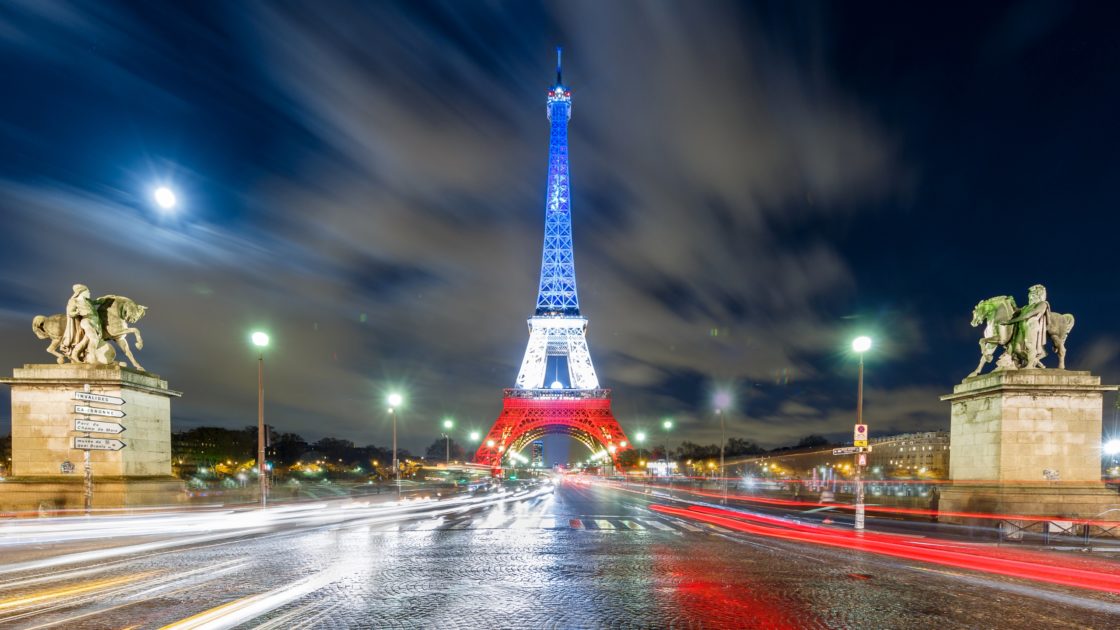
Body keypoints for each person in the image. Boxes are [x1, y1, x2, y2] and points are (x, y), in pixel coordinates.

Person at [1008, 284, 1050, 369]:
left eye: (1033, 295)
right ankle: (1034, 360)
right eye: (1030, 295)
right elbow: (1017, 310)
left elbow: (1028, 315)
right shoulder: (1026, 307)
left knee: (1029, 345)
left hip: (1032, 326)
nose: (1031, 297)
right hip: (1022, 327)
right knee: (1016, 348)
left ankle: (1030, 365)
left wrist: (1010, 322)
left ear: (1039, 295)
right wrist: (1011, 303)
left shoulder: (1042, 304)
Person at [59, 284, 102, 363]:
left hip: (95, 323)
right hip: (86, 321)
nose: (89, 293)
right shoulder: (74, 301)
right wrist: (78, 312)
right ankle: (93, 359)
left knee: (86, 340)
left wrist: (107, 298)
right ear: (82, 292)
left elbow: (97, 301)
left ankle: (75, 354)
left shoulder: (88, 301)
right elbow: (70, 312)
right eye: (88, 292)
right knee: (94, 339)